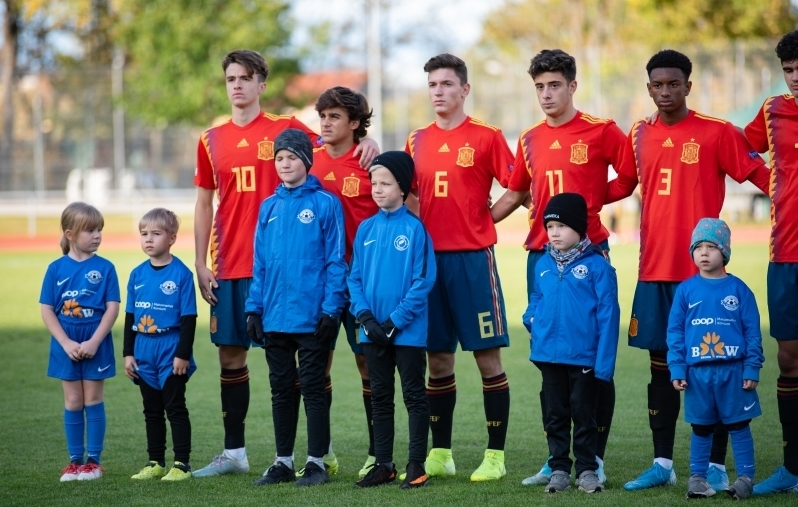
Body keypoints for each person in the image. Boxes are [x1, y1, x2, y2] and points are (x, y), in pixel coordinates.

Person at [193, 49, 377, 477]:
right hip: (235, 265)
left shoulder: (289, 129)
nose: (236, 85)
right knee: (231, 358)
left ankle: (320, 452)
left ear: (262, 84)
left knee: (318, 364)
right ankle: (235, 453)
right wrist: (200, 261)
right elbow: (204, 203)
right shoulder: (210, 138)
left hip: (298, 275)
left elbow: (336, 141)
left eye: (245, 77)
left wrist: (368, 141)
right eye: (230, 78)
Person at [604, 49, 770, 492]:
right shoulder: (638, 133)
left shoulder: (717, 132)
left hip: (705, 278)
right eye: (657, 85)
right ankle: (663, 463)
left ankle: (715, 466)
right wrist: (572, 200)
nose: (664, 92)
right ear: (648, 87)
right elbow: (621, 183)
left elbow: (759, 173)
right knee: (661, 367)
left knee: (711, 365)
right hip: (654, 269)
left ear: (688, 86)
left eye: (673, 84)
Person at [490, 49, 625, 486]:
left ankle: (594, 457)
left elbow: (629, 175)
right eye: (539, 87)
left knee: (589, 360)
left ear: (571, 85)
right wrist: (472, 225)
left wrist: (588, 208)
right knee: (552, 358)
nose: (546, 94)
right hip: (540, 257)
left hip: (590, 255)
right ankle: (557, 459)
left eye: (553, 86)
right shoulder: (528, 138)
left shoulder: (602, 130)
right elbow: (514, 193)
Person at [405, 53, 514, 482]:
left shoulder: (487, 136)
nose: (439, 92)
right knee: (438, 362)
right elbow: (408, 193)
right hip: (430, 266)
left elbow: (518, 185)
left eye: (447, 84)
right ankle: (441, 453)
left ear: (464, 90)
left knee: (487, 359)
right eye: (433, 85)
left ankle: (495, 456)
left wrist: (487, 219)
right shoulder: (417, 140)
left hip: (472, 262)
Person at [245, 128, 347, 487]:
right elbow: (259, 263)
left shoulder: (325, 203)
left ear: (306, 160)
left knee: (313, 388)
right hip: (274, 317)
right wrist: (253, 308)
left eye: (291, 157)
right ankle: (283, 462)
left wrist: (331, 309)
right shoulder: (268, 207)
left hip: (312, 316)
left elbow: (336, 261)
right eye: (279, 158)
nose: (284, 164)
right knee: (280, 389)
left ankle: (316, 462)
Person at [348, 151, 436, 489]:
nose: (377, 189)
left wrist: (395, 321)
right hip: (372, 332)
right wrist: (366, 317)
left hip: (407, 333)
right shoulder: (366, 228)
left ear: (402, 187)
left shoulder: (415, 229)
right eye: (374, 182)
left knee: (414, 396)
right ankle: (383, 463)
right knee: (380, 397)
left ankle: (417, 465)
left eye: (385, 183)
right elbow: (354, 278)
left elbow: (423, 280)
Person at [523, 193, 620, 494]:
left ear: (579, 229)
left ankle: (588, 470)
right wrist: (531, 318)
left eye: (562, 226)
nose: (554, 233)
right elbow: (537, 297)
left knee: (583, 413)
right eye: (550, 226)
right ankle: (560, 469)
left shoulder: (598, 268)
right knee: (555, 414)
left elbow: (608, 317)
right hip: (549, 356)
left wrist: (603, 366)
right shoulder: (542, 264)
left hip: (583, 358)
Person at [667, 218, 763, 500]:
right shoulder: (686, 290)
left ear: (725, 253)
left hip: (733, 371)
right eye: (699, 247)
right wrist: (677, 367)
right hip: (698, 374)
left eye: (712, 246)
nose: (705, 253)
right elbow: (674, 332)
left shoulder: (739, 290)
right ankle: (697, 479)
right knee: (701, 426)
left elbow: (752, 331)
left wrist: (752, 367)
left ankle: (746, 478)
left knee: (738, 424)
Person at [313, 86, 379, 478]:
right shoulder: (309, 161)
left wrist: (371, 143)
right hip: (319, 284)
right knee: (316, 366)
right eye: (322, 115)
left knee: (366, 363)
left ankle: (376, 450)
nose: (325, 122)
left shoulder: (372, 162)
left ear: (355, 124)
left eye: (335, 116)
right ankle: (323, 452)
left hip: (362, 281)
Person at [743, 29, 798, 495]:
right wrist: (772, 184)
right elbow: (743, 147)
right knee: (788, 357)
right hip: (785, 255)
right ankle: (791, 468)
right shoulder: (771, 109)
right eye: (788, 70)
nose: (795, 78)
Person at [40, 202, 120, 482]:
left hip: (95, 342)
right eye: (90, 230)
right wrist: (65, 343)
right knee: (73, 401)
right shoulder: (55, 269)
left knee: (93, 399)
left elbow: (112, 308)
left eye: (100, 229)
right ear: (71, 233)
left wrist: (95, 341)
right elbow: (47, 309)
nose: (97, 235)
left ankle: (93, 463)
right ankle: (75, 462)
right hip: (66, 344)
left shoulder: (106, 268)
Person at [124, 208, 198, 482]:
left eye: (156, 234)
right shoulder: (136, 274)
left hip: (170, 349)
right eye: (144, 234)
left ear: (172, 238)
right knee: (151, 410)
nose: (149, 240)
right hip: (143, 349)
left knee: (175, 407)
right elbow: (130, 317)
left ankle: (182, 464)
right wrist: (127, 353)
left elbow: (189, 318)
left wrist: (182, 355)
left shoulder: (181, 274)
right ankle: (155, 462)